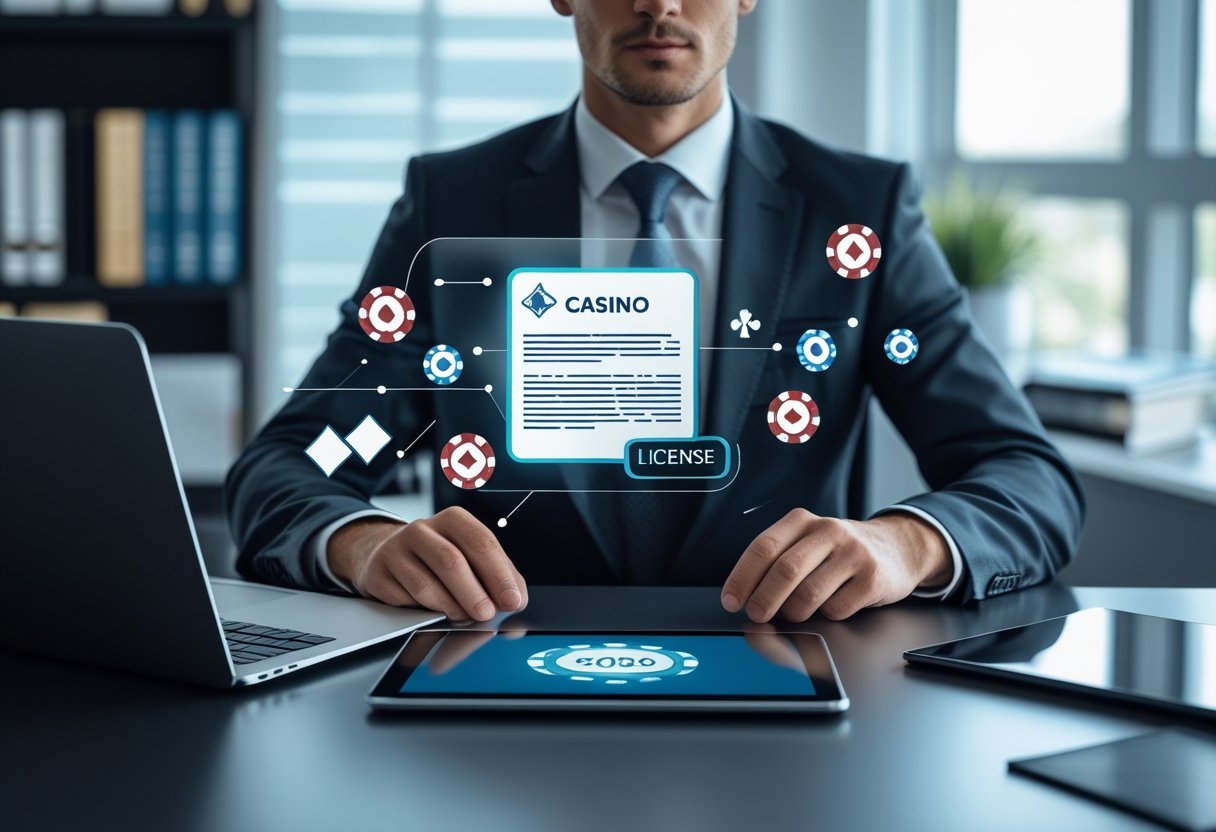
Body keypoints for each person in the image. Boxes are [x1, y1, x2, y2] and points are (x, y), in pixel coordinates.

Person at [227, 0, 1085, 626]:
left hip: (789, 697)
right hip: (498, 702)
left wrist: (908, 545)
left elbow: (1024, 475)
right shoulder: (454, 204)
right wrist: (362, 542)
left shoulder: (855, 212)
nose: (659, 5)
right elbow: (291, 465)